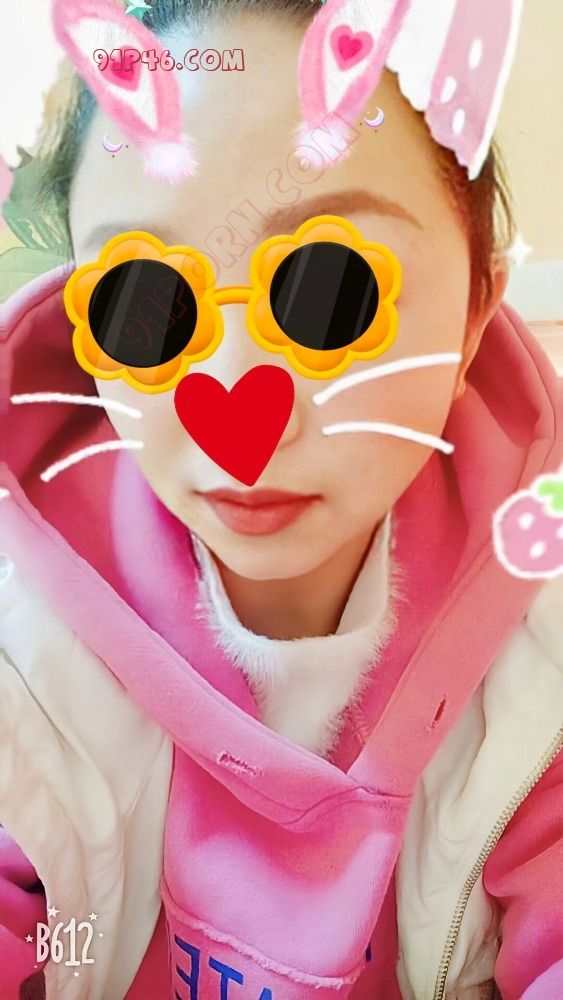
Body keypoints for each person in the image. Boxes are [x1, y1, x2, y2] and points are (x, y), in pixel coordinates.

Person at [1, 1, 561, 998]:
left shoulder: (539, 636)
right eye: (144, 306)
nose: (230, 398)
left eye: (327, 291)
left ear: (475, 308)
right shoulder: (24, 635)